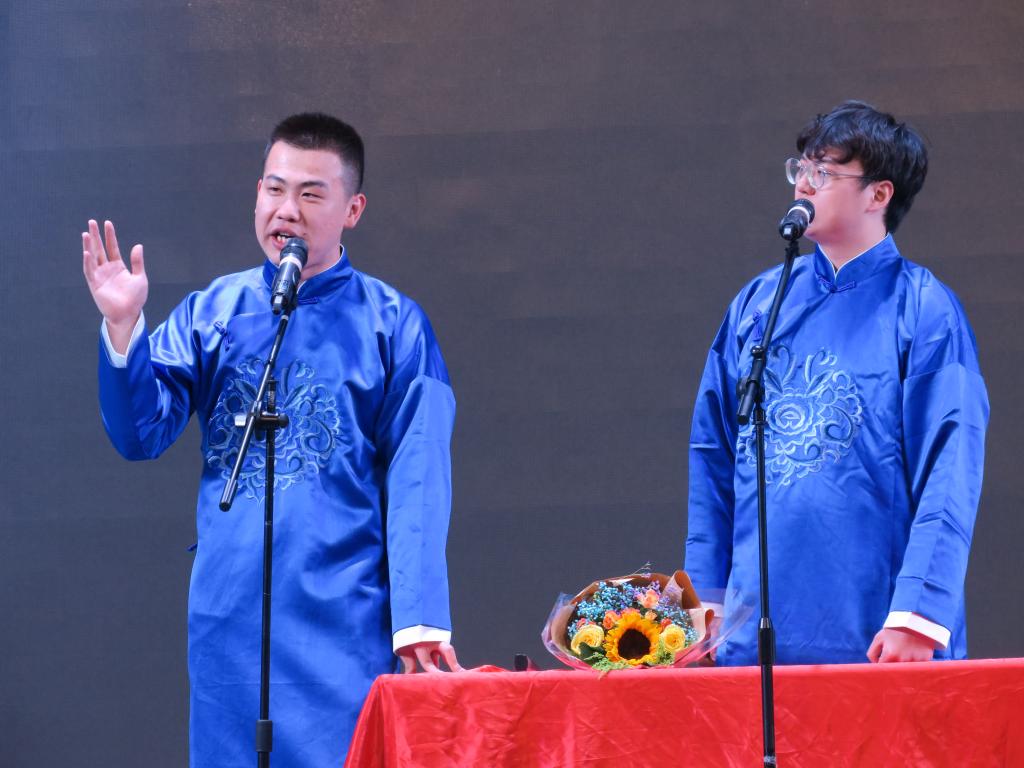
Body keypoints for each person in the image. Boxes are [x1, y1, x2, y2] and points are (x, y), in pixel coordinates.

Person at [81, 112, 461, 766]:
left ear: (353, 209)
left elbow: (418, 478)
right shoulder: (213, 313)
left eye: (312, 194)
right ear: (257, 193)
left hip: (341, 621)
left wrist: (417, 621)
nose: (287, 210)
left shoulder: (393, 325)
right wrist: (123, 329)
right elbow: (141, 431)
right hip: (228, 620)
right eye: (275, 189)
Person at [684, 100, 989, 666]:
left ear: (879, 194)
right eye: (801, 168)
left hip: (880, 630)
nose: (804, 183)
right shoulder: (758, 304)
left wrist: (917, 615)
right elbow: (713, 455)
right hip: (751, 633)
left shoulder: (922, 308)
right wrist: (706, 601)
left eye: (824, 172)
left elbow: (951, 468)